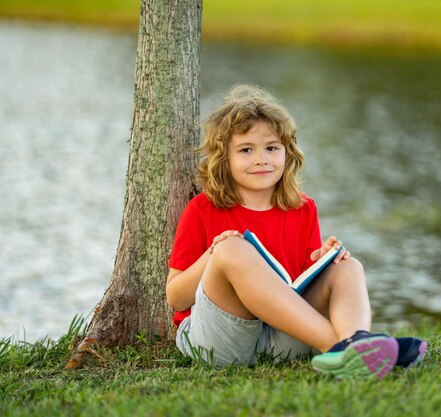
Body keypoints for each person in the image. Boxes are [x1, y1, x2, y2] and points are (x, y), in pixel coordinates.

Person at [166, 84, 426, 379]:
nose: (261, 159)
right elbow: (176, 298)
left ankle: (357, 340)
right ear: (224, 158)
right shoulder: (203, 209)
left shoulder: (302, 208)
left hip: (281, 339)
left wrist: (321, 260)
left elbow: (299, 286)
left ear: (287, 153)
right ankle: (343, 350)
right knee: (232, 249)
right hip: (221, 341)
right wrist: (214, 255)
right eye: (246, 150)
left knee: (347, 266)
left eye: (272, 148)